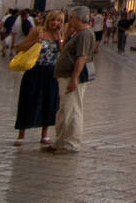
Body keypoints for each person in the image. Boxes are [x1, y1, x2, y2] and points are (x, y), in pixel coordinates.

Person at [48, 8, 95, 154]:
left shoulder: (85, 34)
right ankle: (60, 141)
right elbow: (65, 50)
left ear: (78, 18)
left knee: (73, 110)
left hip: (72, 77)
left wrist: (74, 78)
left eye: (71, 18)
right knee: (64, 110)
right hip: (66, 76)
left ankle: (72, 144)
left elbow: (81, 58)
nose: (69, 21)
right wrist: (67, 35)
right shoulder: (78, 34)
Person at [13, 10, 63, 145]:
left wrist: (60, 38)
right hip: (35, 70)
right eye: (53, 20)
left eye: (58, 20)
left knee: (49, 102)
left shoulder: (60, 34)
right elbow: (19, 47)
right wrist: (36, 41)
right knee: (28, 101)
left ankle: (44, 134)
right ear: (48, 20)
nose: (55, 23)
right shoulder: (37, 31)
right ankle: (21, 134)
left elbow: (62, 53)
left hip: (51, 72)